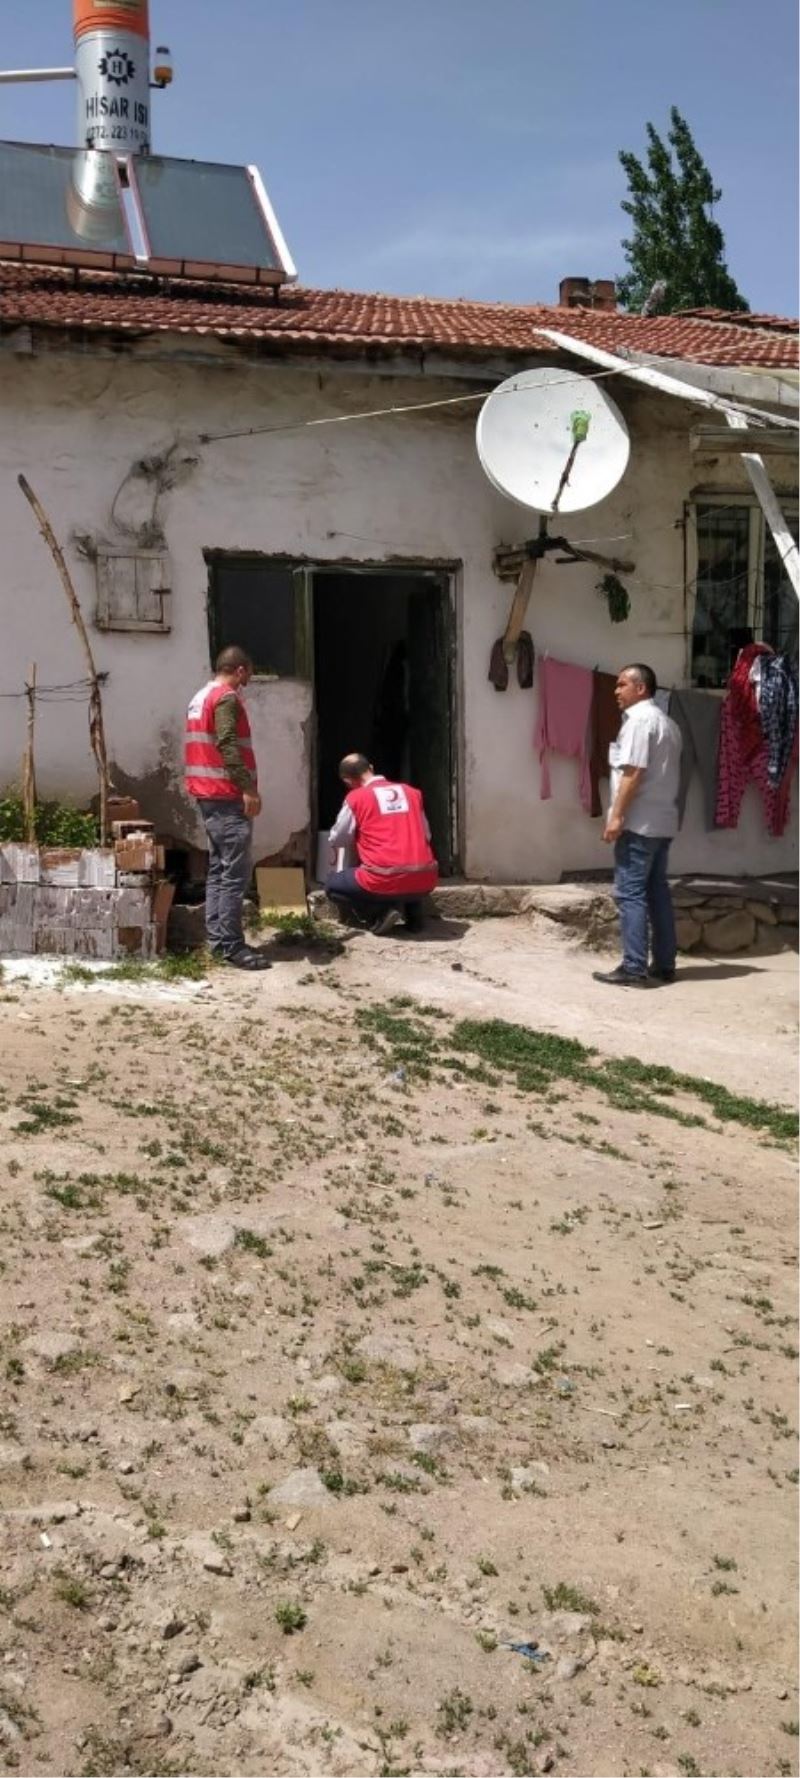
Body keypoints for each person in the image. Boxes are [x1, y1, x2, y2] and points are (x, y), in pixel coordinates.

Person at [593, 662, 682, 988]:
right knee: (657, 892)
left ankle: (633, 967)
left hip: (639, 824)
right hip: (662, 822)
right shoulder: (668, 724)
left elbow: (633, 772)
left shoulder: (639, 722)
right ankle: (665, 965)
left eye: (621, 685)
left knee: (630, 893)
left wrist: (616, 815)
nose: (616, 691)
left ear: (640, 688)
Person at [184, 646, 271, 970]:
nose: (249, 679)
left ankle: (219, 942)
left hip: (209, 794)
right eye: (249, 672)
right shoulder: (226, 698)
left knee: (219, 870)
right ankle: (233, 946)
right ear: (240, 670)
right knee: (234, 874)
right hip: (226, 794)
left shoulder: (200, 696)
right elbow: (228, 744)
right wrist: (248, 788)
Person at [326, 753, 439, 935]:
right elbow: (427, 835)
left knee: (332, 886)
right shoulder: (412, 793)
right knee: (407, 868)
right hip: (426, 877)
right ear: (371, 768)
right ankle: (414, 917)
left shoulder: (356, 798)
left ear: (347, 780)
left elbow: (338, 838)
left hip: (382, 879)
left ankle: (380, 913)